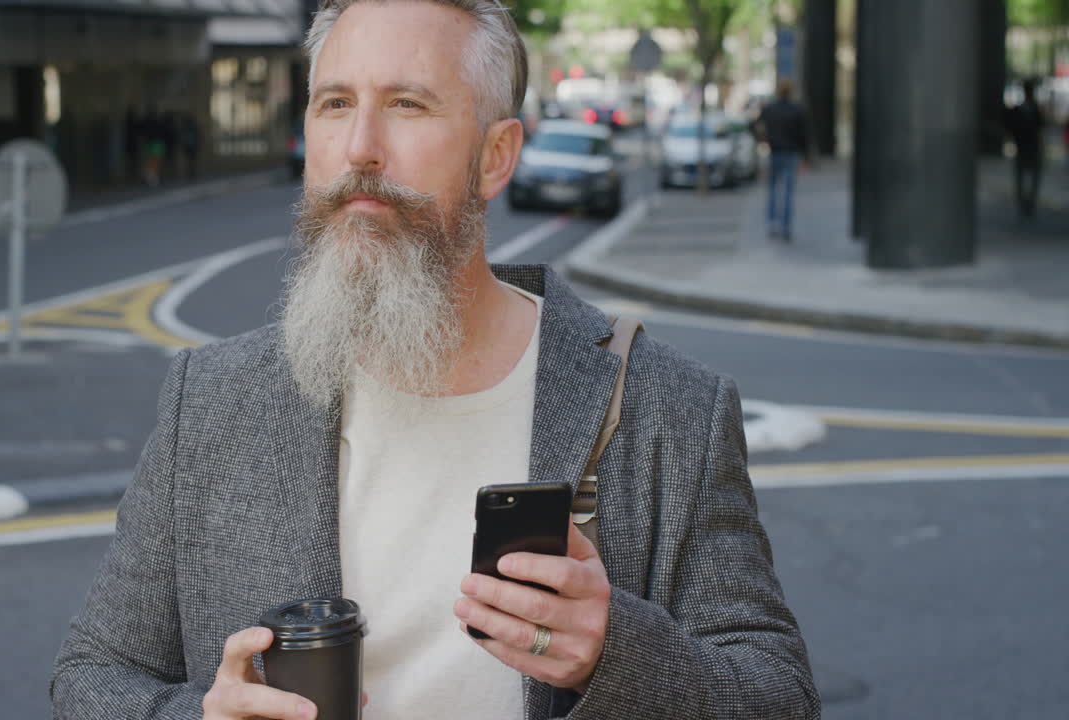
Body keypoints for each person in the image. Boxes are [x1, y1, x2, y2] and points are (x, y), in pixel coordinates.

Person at [51, 2, 818, 719]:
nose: (360, 148)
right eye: (335, 104)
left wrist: (615, 651)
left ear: (495, 156)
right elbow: (94, 673)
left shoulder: (665, 407)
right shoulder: (212, 401)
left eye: (407, 105)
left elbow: (778, 695)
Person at [754, 79, 810, 241]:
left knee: (773, 189)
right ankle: (786, 226)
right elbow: (804, 135)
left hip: (775, 152)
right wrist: (805, 157)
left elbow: (754, 125)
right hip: (791, 154)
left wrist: (762, 140)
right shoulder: (797, 109)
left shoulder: (770, 109)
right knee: (787, 192)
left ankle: (772, 223)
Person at [1006, 78, 1045, 218]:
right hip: (1025, 148)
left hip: (1028, 148)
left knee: (1026, 177)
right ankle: (1025, 203)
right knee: (1026, 177)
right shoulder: (1025, 110)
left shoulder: (1033, 110)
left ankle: (1027, 203)